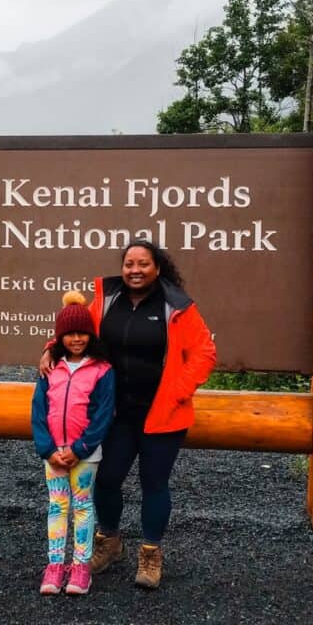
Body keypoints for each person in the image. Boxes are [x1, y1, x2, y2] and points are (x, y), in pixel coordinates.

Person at [39, 240, 216, 590]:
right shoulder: (108, 299)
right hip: (116, 413)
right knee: (106, 480)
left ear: (157, 268)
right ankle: (110, 540)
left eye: (143, 264)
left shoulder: (176, 305)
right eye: (129, 263)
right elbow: (75, 330)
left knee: (154, 485)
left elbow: (204, 352)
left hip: (163, 415)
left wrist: (178, 392)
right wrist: (49, 349)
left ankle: (150, 553)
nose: (135, 270)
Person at [31, 291, 115, 596]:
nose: (76, 339)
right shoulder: (50, 368)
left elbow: (103, 415)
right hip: (53, 453)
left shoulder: (102, 370)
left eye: (82, 333)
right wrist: (48, 449)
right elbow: (38, 410)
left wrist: (79, 448)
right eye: (69, 334)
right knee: (57, 506)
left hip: (85, 454)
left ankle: (81, 566)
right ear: (59, 338)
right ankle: (55, 564)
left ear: (90, 335)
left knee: (82, 505)